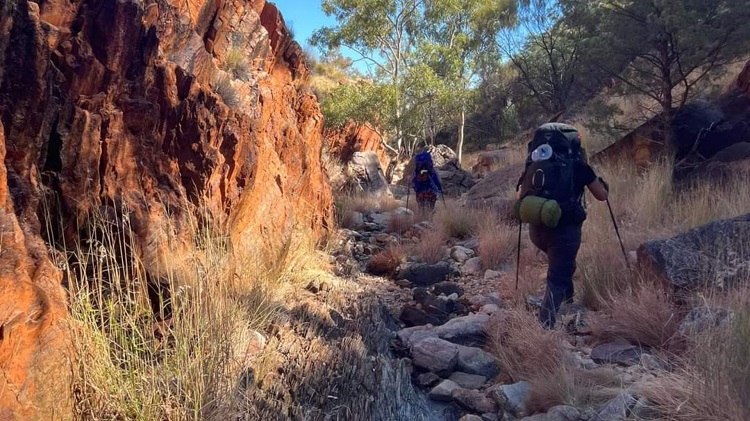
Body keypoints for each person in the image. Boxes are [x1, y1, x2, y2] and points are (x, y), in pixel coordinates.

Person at [515, 123, 609, 329]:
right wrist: (604, 185)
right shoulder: (578, 165)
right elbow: (601, 196)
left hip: (537, 229)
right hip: (564, 230)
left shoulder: (534, 163)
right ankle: (544, 326)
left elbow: (519, 195)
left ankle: (568, 304)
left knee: (564, 265)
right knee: (557, 277)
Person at [412, 144, 443, 211]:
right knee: (430, 207)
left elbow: (414, 182)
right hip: (430, 189)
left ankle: (421, 215)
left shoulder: (417, 170)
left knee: (421, 206)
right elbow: (436, 180)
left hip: (420, 188)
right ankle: (429, 215)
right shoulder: (432, 172)